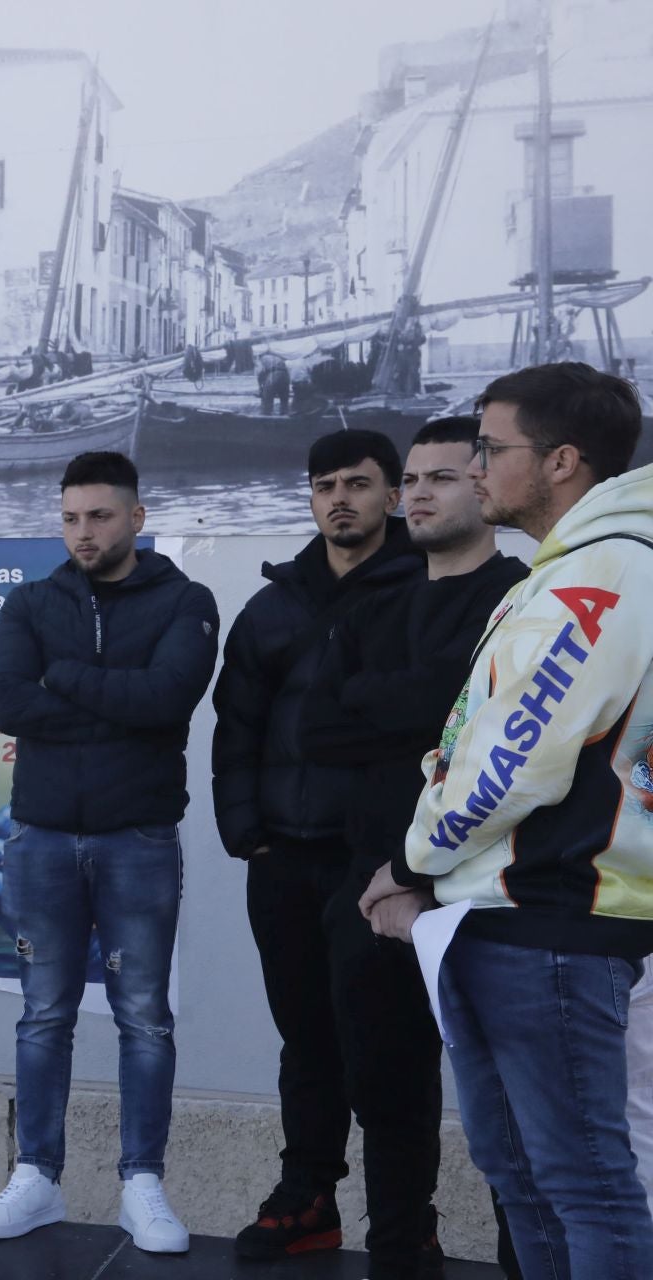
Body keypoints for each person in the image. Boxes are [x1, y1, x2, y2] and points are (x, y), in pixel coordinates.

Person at [360, 362, 653, 1278]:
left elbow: (515, 757)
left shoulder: (604, 572)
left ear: (563, 460)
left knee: (583, 1183)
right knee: (519, 1177)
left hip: (551, 923)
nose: (475, 465)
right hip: (502, 917)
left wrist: (410, 861)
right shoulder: (569, 570)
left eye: (491, 448)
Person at [298, 416, 530, 1280]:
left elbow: (488, 729)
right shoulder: (375, 601)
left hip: (485, 896)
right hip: (367, 887)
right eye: (414, 479)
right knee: (386, 1101)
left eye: (442, 476)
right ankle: (399, 1256)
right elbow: (318, 727)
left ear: (486, 486)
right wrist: (431, 706)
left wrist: (389, 705)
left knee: (511, 1117)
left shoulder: (524, 595)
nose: (420, 493)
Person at [0, 451, 219, 1255]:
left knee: (144, 1019)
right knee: (42, 1015)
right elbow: (10, 704)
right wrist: (118, 701)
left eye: (101, 516)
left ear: (137, 519)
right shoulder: (30, 601)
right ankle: (36, 1177)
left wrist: (67, 679)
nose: (85, 532)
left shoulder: (186, 600)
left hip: (139, 839)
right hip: (40, 838)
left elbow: (166, 700)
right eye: (73, 517)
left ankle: (142, 1183)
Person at [211, 428, 421, 1261]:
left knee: (386, 1050)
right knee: (306, 1039)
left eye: (359, 483)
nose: (341, 497)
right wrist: (247, 838)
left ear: (393, 495)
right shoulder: (273, 606)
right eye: (325, 484)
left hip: (375, 868)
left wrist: (408, 859)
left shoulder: (422, 593)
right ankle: (308, 1198)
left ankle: (407, 1225)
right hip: (283, 861)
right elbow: (237, 730)